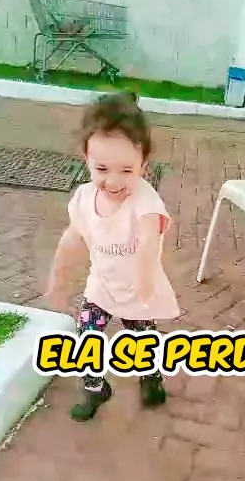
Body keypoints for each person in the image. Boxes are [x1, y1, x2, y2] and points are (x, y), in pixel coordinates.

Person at [43, 91, 180, 422]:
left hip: (137, 290)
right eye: (102, 168)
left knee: (142, 341)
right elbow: (71, 238)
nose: (114, 181)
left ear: (144, 165)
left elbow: (148, 241)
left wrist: (145, 283)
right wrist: (57, 279)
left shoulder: (146, 201)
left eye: (127, 170)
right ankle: (95, 388)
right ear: (86, 158)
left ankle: (151, 378)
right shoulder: (84, 197)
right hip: (101, 287)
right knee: (87, 337)